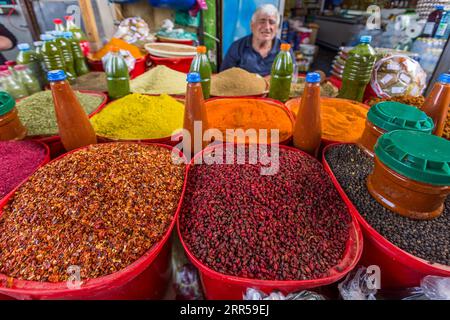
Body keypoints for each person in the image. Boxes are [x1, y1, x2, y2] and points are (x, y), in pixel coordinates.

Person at [220, 4, 295, 77]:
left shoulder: (285, 49)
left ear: (277, 28)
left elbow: (290, 77)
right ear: (252, 25)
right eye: (262, 21)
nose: (267, 27)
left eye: (272, 22)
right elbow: (224, 77)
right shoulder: (237, 47)